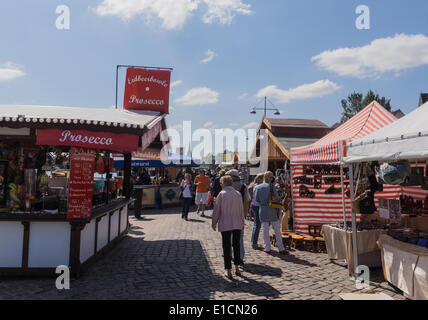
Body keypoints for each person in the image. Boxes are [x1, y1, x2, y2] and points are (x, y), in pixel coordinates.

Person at [212, 175, 245, 279]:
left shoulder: (221, 194)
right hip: (237, 223)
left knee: (226, 246)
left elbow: (217, 210)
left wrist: (214, 222)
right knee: (236, 245)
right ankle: (237, 267)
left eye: (221, 183)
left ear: (223, 184)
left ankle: (228, 270)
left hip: (225, 223)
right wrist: (242, 221)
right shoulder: (238, 194)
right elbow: (241, 209)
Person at [255, 171, 287, 254]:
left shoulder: (259, 187)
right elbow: (277, 197)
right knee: (276, 228)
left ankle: (267, 248)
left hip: (263, 209)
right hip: (272, 209)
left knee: (265, 229)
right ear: (270, 178)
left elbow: (257, 199)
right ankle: (280, 248)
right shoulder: (272, 186)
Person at [226, 169, 250, 263]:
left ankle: (230, 254)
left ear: (232, 177)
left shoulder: (227, 187)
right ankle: (240, 256)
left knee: (229, 236)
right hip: (240, 215)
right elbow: (247, 200)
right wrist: (245, 213)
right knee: (239, 237)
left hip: (228, 214)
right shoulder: (244, 186)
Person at [248, 173, 264, 250]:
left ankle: (253, 241)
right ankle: (254, 243)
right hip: (257, 206)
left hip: (254, 205)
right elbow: (258, 198)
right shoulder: (258, 186)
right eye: (263, 179)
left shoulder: (255, 185)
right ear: (260, 179)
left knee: (256, 225)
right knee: (257, 225)